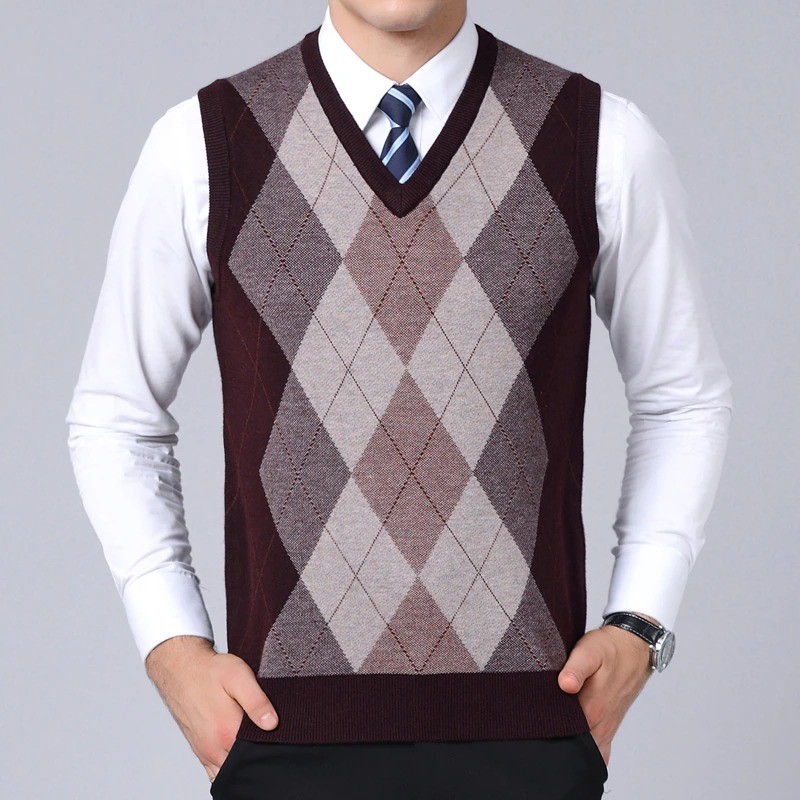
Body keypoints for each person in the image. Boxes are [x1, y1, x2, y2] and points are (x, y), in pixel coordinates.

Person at [65, 1, 733, 798]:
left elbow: (683, 400)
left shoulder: (600, 140)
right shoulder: (207, 143)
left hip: (528, 735)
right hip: (286, 739)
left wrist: (640, 625)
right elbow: (115, 417)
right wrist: (171, 645)